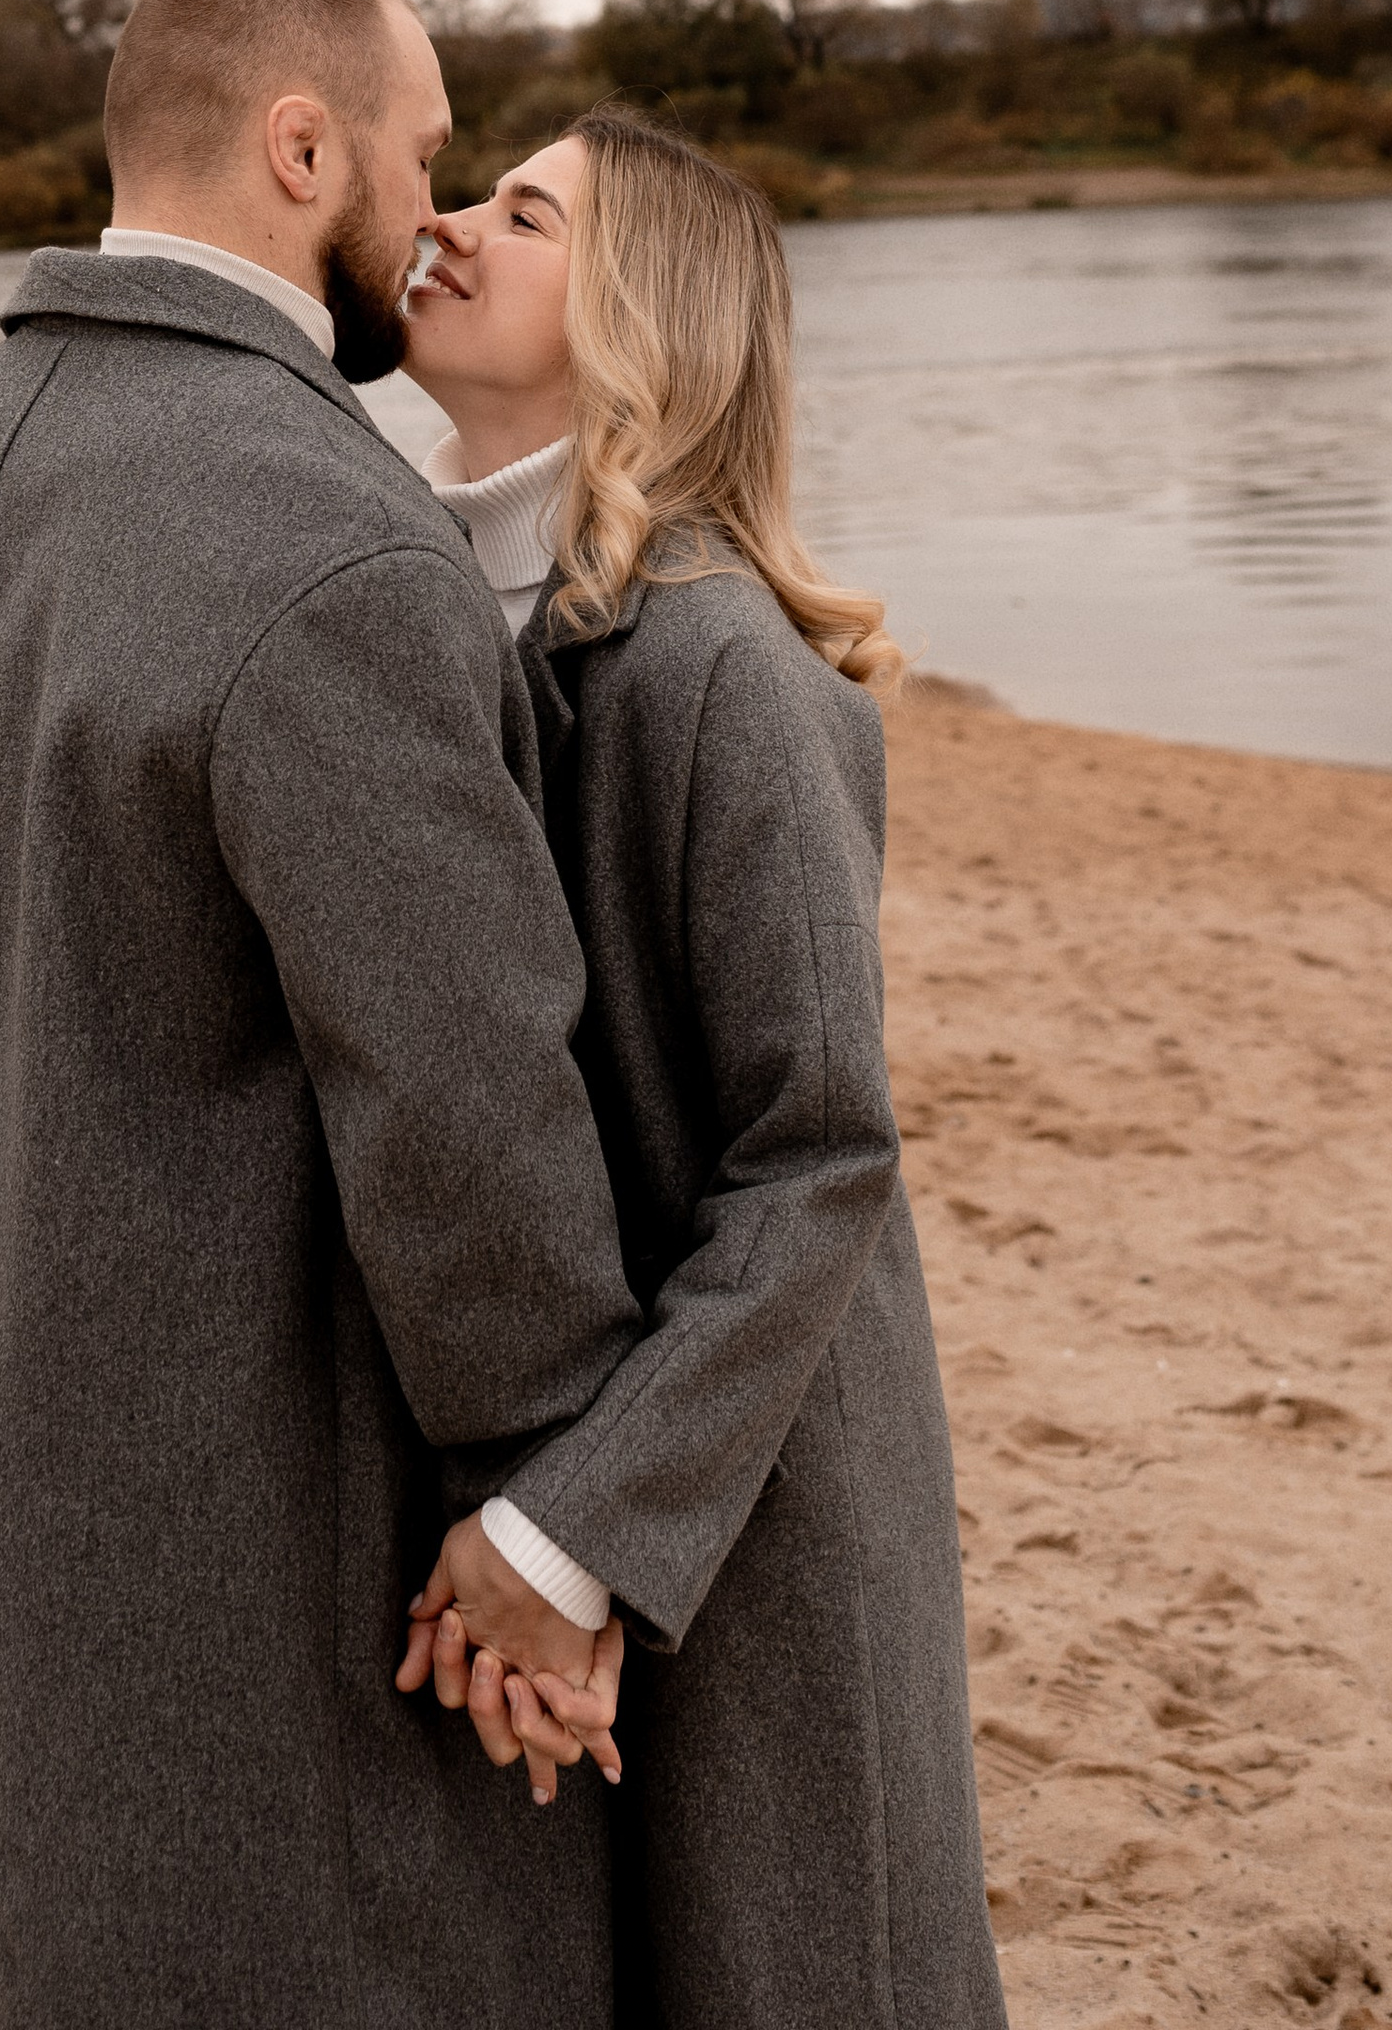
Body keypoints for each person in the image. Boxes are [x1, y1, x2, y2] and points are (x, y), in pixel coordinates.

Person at [0, 0, 647, 2030]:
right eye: (417, 151)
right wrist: (553, 1504)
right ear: (301, 149)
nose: (430, 210)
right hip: (252, 1590)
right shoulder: (334, 540)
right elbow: (466, 1107)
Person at [396, 107, 1010, 2030]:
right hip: (590, 1462)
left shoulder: (726, 671)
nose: (447, 228)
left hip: (754, 1489)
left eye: (521, 215)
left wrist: (576, 1531)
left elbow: (820, 1153)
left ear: (642, 318)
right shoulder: (455, 614)